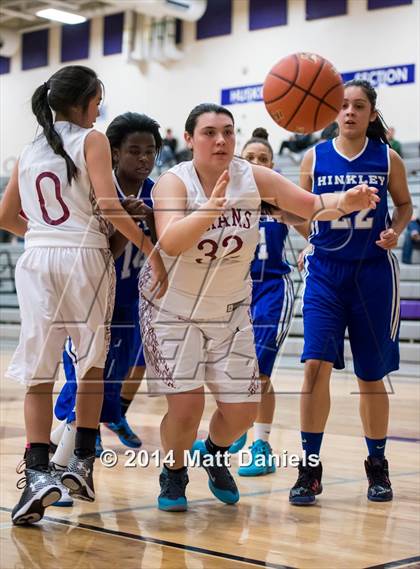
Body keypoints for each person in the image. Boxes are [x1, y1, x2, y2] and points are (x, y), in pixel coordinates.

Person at [138, 102, 379, 512]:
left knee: (242, 414)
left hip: (229, 308)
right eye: (210, 132)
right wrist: (212, 208)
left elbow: (310, 205)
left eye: (228, 132)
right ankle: (174, 472)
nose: (221, 140)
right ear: (191, 139)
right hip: (173, 309)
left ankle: (213, 453)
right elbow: (173, 240)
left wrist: (348, 200)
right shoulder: (173, 184)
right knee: (187, 407)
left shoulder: (252, 177)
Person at [0, 65, 167, 525]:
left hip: (35, 258)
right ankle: (81, 464)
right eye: (99, 100)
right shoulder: (90, 139)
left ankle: (36, 472)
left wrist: (41, 234)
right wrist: (149, 248)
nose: (100, 109)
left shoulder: (29, 149)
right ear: (87, 100)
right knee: (91, 364)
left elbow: (5, 215)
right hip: (84, 259)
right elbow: (110, 207)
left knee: (39, 372)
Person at [290, 79, 412, 506]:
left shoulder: (388, 158)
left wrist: (395, 231)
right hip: (326, 273)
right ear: (331, 113)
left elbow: (403, 205)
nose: (349, 112)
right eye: (342, 106)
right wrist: (310, 236)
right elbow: (298, 210)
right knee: (314, 367)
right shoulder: (314, 156)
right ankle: (309, 467)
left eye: (359, 106)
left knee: (371, 376)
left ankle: (377, 463)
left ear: (371, 113)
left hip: (372, 274)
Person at [50, 112, 162, 506]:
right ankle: (54, 473)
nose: (143, 159)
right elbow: (102, 249)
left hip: (131, 306)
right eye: (134, 151)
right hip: (91, 297)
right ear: (114, 153)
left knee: (99, 398)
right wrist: (125, 223)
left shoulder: (158, 193)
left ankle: (72, 463)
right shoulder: (96, 188)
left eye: (150, 151)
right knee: (80, 388)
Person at [229, 127, 294, 476]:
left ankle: (261, 444)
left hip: (271, 289)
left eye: (263, 159)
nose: (256, 163)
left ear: (273, 166)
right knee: (236, 372)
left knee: (260, 372)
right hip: (235, 291)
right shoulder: (230, 198)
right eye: (250, 158)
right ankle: (238, 428)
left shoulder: (282, 197)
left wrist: (312, 248)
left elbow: (312, 225)